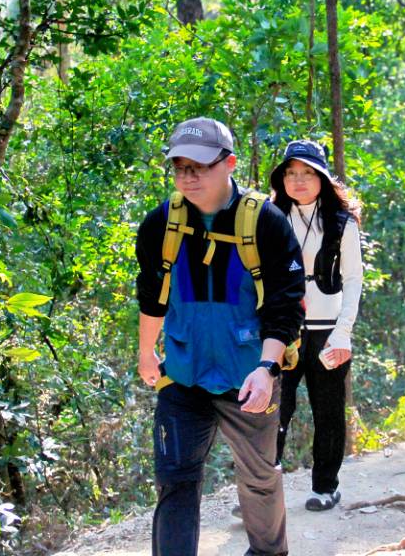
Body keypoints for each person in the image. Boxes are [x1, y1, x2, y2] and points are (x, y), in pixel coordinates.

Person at [135, 117, 305, 556]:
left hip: (248, 374)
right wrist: (146, 353)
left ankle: (268, 553)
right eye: (180, 167)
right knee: (175, 480)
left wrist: (267, 369)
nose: (188, 177)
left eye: (200, 166)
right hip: (183, 374)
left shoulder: (265, 222)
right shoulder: (161, 224)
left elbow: (285, 307)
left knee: (259, 477)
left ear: (229, 163)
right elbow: (151, 296)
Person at [268, 140, 363, 512]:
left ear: (322, 177)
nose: (299, 180)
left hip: (328, 330)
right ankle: (262, 492)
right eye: (291, 173)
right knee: (274, 409)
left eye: (307, 173)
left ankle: (326, 487)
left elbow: (353, 280)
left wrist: (343, 333)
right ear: (282, 179)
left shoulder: (342, 222)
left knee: (328, 412)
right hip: (282, 330)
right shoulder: (271, 216)